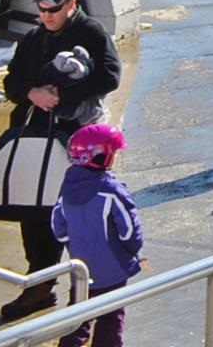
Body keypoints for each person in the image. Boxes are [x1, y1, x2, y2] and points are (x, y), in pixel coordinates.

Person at [0, 0, 120, 320]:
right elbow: (11, 81)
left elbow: (110, 76)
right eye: (41, 9)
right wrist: (33, 94)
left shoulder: (92, 33)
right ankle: (40, 284)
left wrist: (63, 96)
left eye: (53, 9)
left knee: (80, 211)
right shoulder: (34, 38)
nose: (47, 16)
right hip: (34, 134)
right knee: (34, 209)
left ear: (71, 3)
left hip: (76, 137)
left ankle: (88, 285)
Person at [48, 124, 143, 347]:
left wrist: (73, 244)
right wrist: (132, 250)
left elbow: (57, 223)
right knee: (111, 316)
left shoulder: (68, 184)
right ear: (103, 156)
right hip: (112, 266)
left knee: (78, 313)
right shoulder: (110, 188)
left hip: (80, 266)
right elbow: (130, 229)